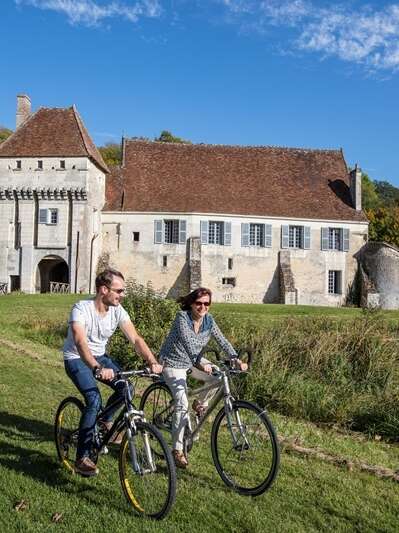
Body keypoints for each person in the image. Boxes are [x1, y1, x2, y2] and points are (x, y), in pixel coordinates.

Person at [63, 268, 162, 477]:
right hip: (77, 358)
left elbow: (135, 339)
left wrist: (152, 360)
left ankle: (104, 421)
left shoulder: (117, 310)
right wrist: (96, 368)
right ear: (103, 289)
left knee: (127, 387)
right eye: (119, 291)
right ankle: (82, 457)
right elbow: (80, 342)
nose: (122, 295)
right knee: (93, 400)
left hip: (101, 356)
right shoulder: (81, 309)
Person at [159, 287, 247, 468]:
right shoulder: (182, 318)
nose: (202, 307)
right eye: (198, 303)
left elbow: (222, 340)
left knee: (218, 376)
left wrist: (235, 359)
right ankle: (177, 450)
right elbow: (188, 343)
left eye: (206, 303)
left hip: (194, 361)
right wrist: (200, 364)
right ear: (191, 303)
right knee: (182, 403)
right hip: (173, 362)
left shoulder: (209, 320)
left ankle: (200, 404)